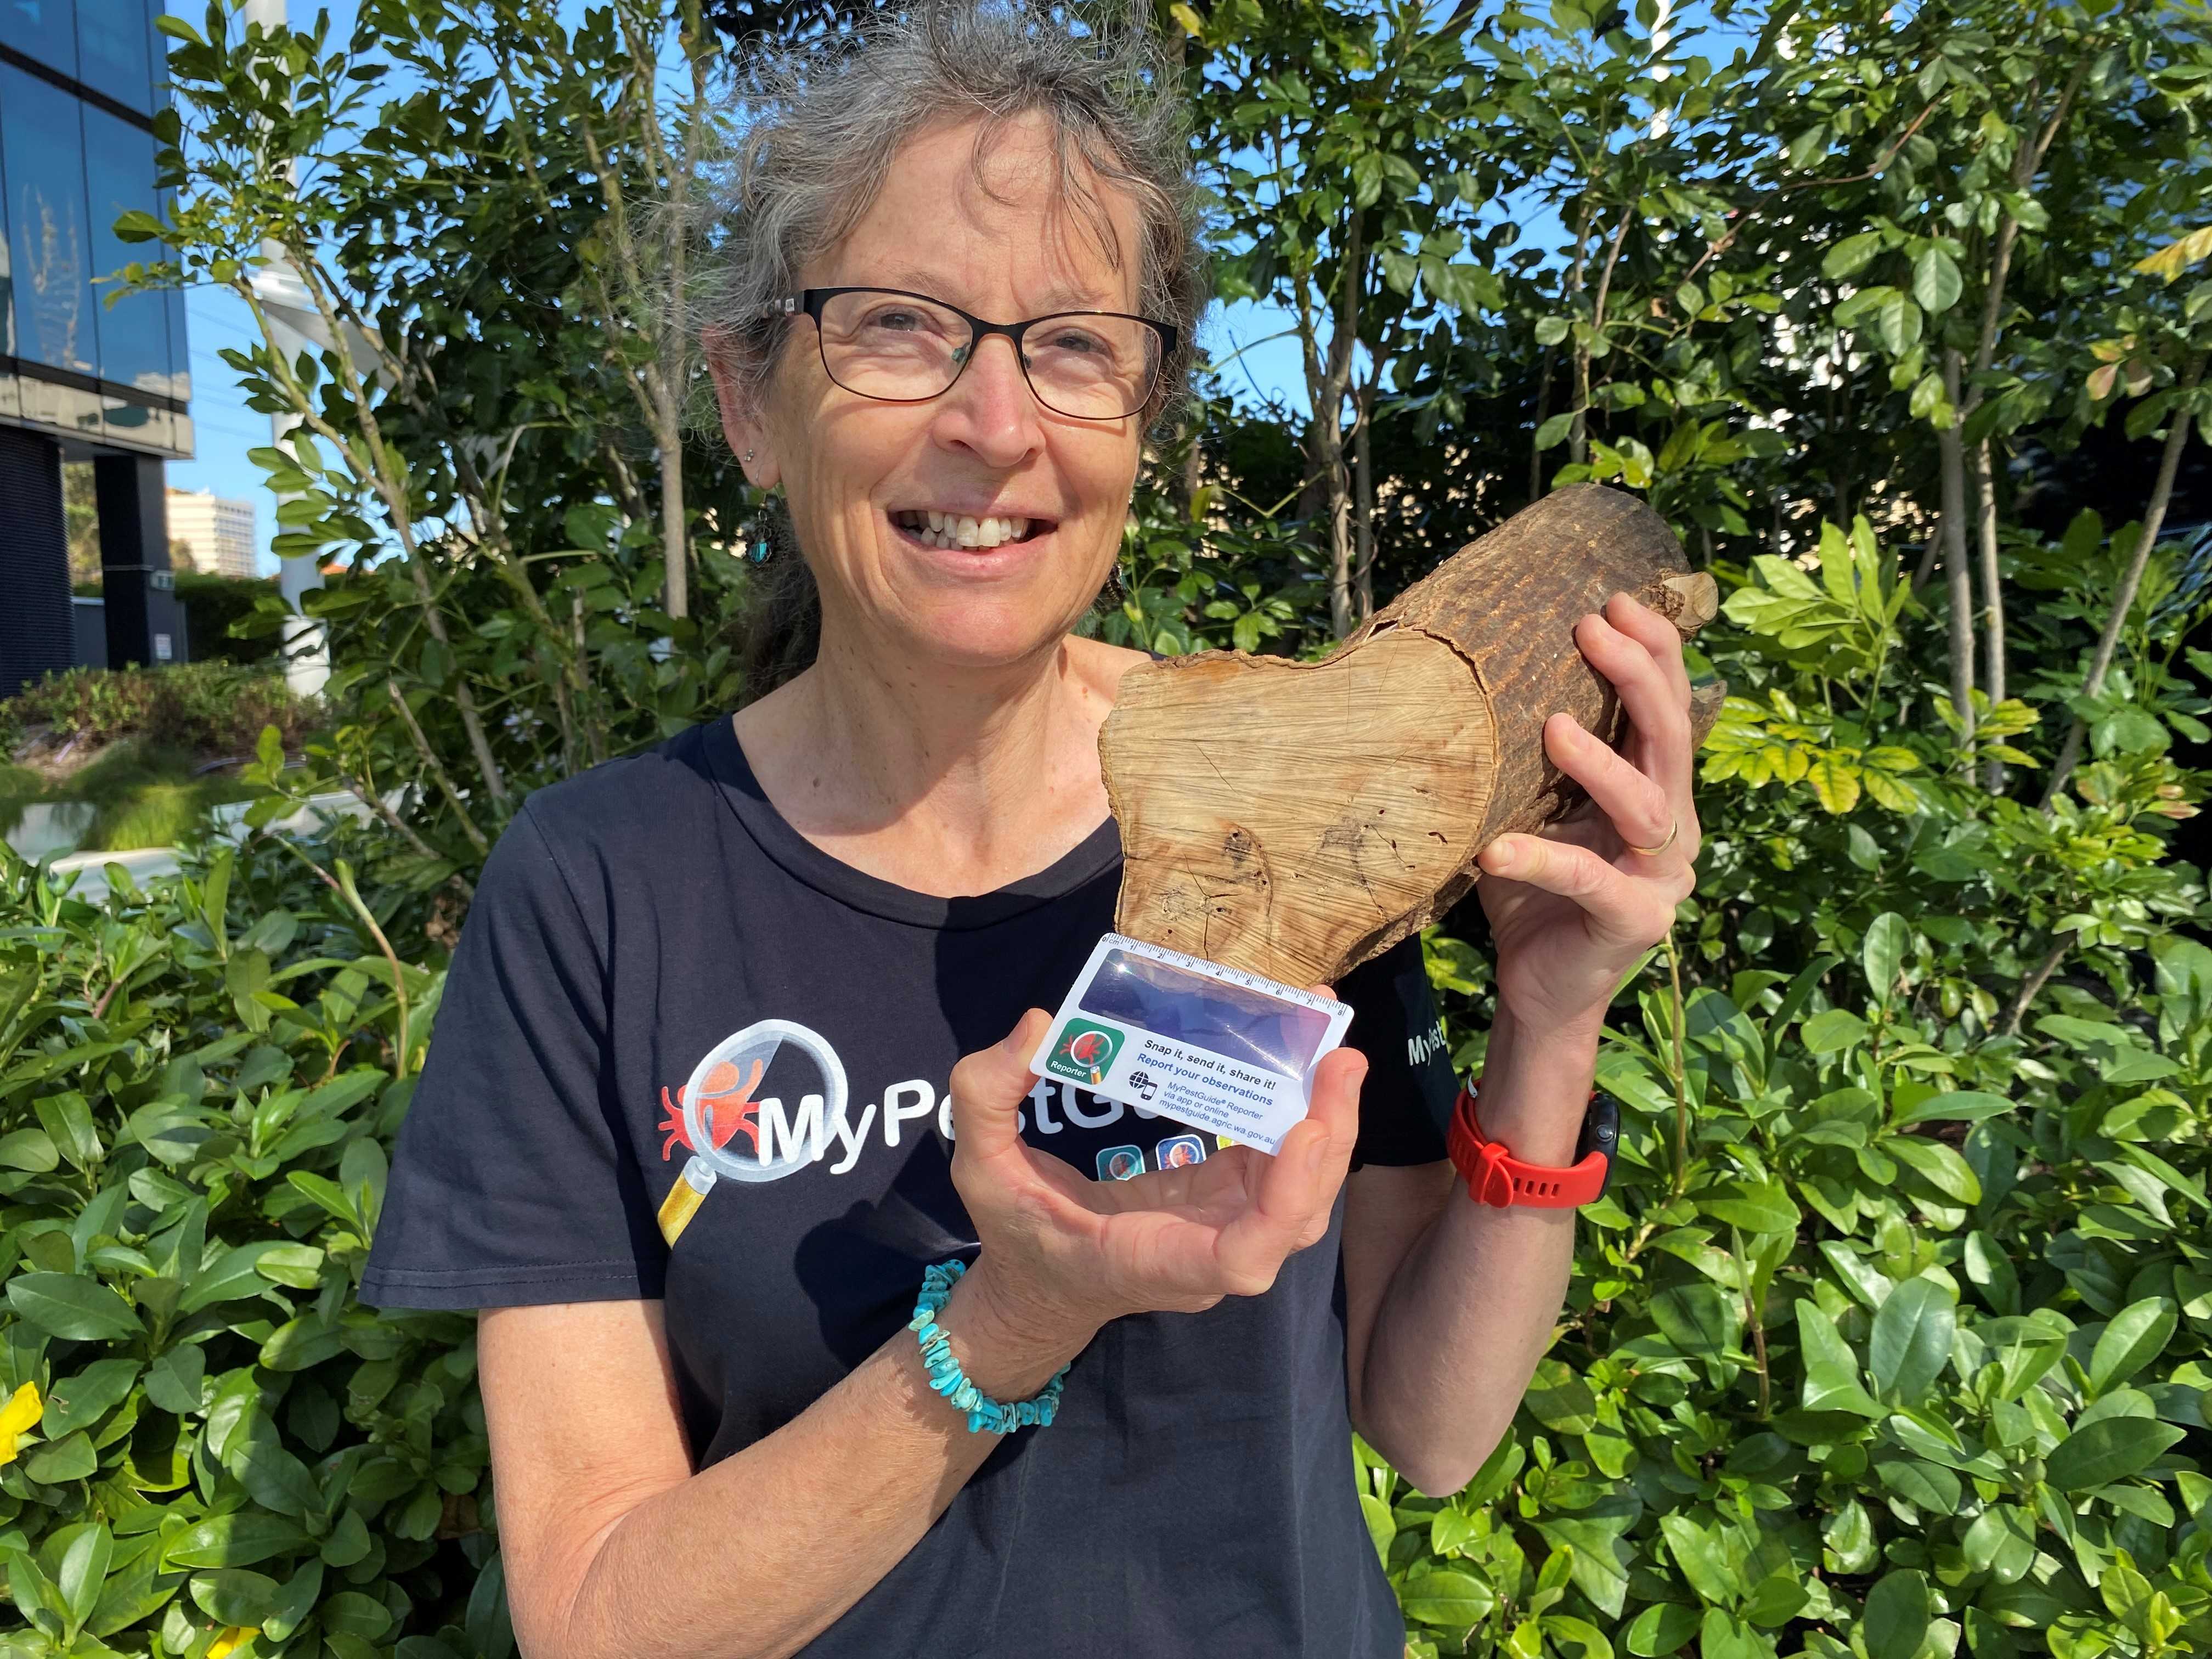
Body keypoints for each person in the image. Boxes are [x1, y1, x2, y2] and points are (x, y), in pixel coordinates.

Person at [358, 8, 1702, 1657]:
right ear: (753, 400)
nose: (997, 423)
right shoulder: (602, 887)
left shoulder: (1288, 791)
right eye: (901, 326)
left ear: (1143, 419)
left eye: (1074, 344)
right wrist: (1009, 1322)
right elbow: (596, 1618)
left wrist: (1552, 1024)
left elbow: (1426, 1428)